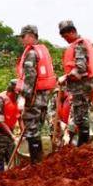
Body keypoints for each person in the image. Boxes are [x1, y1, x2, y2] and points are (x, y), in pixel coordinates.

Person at [57, 20, 93, 146]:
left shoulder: (79, 45)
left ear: (72, 32)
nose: (65, 40)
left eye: (66, 36)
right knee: (80, 117)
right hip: (81, 88)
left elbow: (80, 68)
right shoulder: (78, 44)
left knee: (80, 118)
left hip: (82, 88)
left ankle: (83, 147)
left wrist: (65, 77)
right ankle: (82, 146)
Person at [16, 25, 56, 163]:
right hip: (45, 98)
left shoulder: (31, 54)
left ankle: (35, 163)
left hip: (34, 98)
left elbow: (30, 77)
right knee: (37, 129)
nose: (21, 39)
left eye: (23, 36)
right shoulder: (43, 52)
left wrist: (25, 98)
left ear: (31, 36)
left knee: (31, 130)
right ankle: (38, 162)